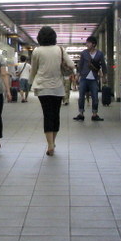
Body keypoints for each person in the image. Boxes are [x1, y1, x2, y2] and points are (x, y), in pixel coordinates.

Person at [30, 26, 76, 157]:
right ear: (54, 37)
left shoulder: (37, 51)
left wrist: (31, 82)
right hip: (58, 87)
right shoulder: (60, 49)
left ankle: (50, 144)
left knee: (47, 115)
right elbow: (71, 65)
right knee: (55, 115)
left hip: (42, 86)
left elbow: (34, 69)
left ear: (39, 37)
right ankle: (53, 142)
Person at [73, 35, 108, 122]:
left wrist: (104, 76)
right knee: (81, 96)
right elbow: (80, 65)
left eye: (88, 43)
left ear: (93, 44)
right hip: (84, 77)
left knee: (95, 96)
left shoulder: (99, 54)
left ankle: (94, 114)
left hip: (94, 78)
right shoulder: (84, 53)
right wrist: (77, 75)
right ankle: (81, 113)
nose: (87, 44)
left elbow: (103, 65)